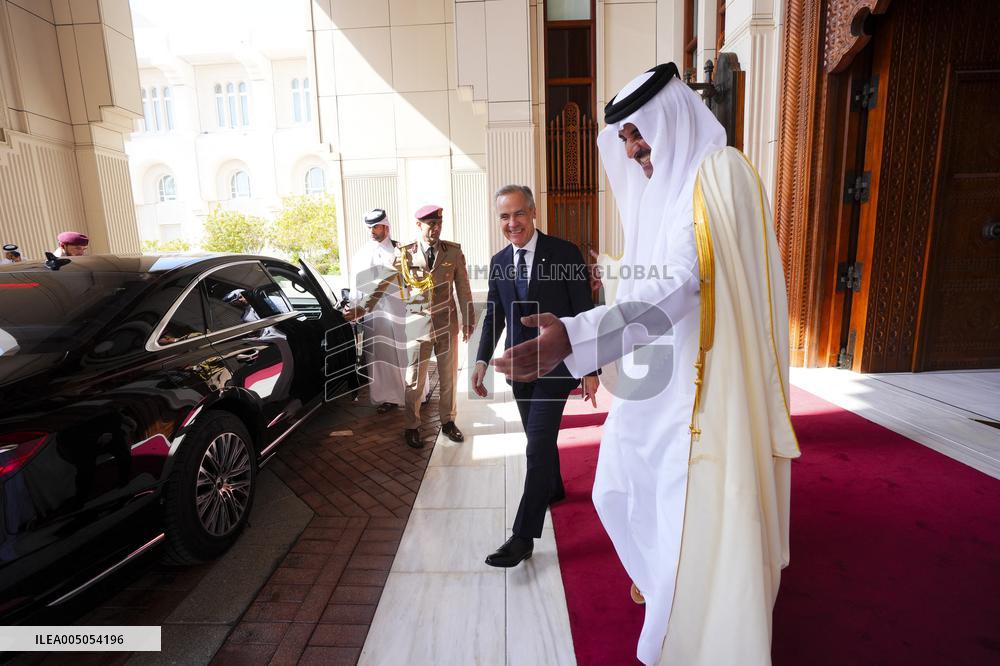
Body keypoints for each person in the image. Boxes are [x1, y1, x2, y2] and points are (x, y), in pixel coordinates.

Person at [492, 63, 800, 665]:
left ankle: (694, 620)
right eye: (626, 138)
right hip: (657, 375)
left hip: (709, 382)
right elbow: (651, 282)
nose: (634, 149)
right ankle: (663, 579)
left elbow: (684, 284)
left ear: (674, 114)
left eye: (639, 133)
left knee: (692, 504)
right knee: (616, 487)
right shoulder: (663, 190)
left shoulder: (719, 174)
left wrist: (577, 338)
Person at [472, 184, 600, 568]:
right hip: (519, 368)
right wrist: (480, 361)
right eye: (504, 217)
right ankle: (554, 487)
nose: (512, 223)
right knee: (538, 440)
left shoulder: (564, 254)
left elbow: (584, 311)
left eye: (518, 214)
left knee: (536, 443)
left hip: (557, 367)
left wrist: (591, 369)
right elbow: (494, 315)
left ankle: (523, 536)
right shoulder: (498, 262)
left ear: (533, 213)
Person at [349, 204, 474, 449]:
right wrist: (361, 308)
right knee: (414, 380)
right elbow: (383, 283)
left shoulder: (453, 252)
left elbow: (464, 289)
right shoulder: (405, 253)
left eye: (438, 223)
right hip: (418, 325)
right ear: (419, 225)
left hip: (447, 325)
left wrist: (468, 320)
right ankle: (412, 426)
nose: (435, 228)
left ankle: (448, 422)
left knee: (449, 379)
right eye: (430, 224)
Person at [350, 208, 407, 414]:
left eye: (376, 227)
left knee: (406, 353)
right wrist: (355, 309)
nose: (372, 231)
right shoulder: (363, 254)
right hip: (375, 315)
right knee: (381, 357)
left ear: (386, 226)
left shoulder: (401, 250)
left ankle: (416, 393)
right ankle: (387, 397)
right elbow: (357, 285)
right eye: (369, 228)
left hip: (400, 312)